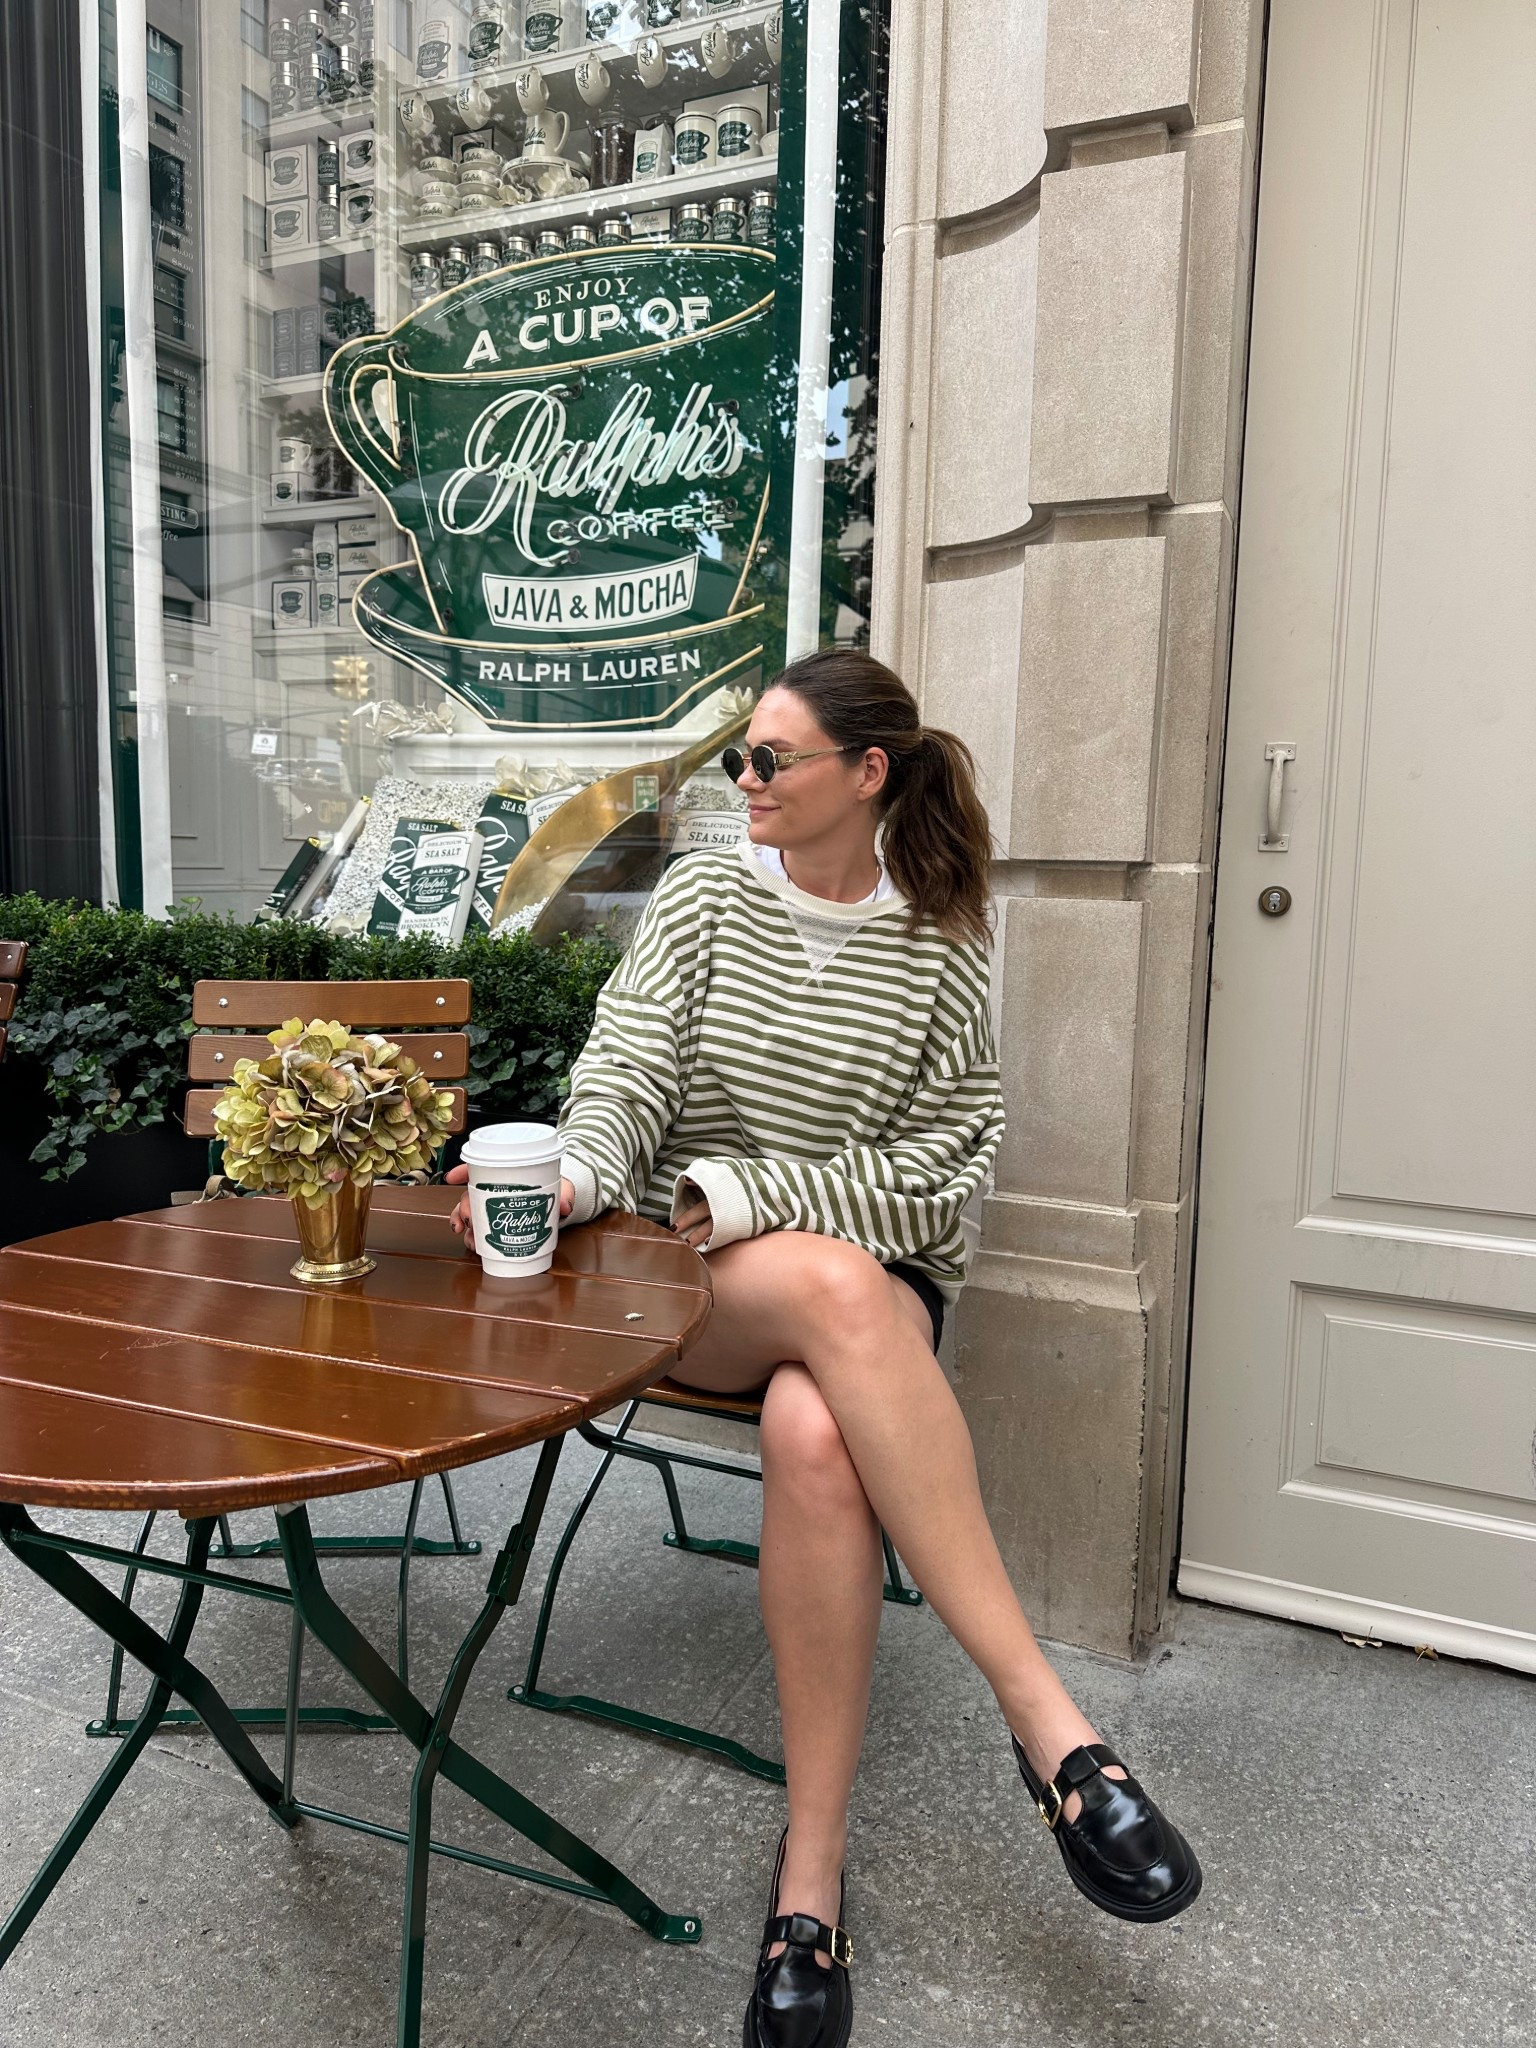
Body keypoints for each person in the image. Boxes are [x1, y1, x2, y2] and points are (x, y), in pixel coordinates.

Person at [449, 648, 1200, 2048]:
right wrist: (579, 1174)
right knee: (833, 1294)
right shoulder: (703, 898)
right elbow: (628, 1071)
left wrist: (759, 1191)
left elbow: (942, 1172)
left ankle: (810, 1879)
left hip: (870, 1280)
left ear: (867, 773)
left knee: (817, 1428)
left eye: (770, 758)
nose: (743, 779)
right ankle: (1052, 1730)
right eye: (740, 755)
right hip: (703, 1277)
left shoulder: (944, 932)